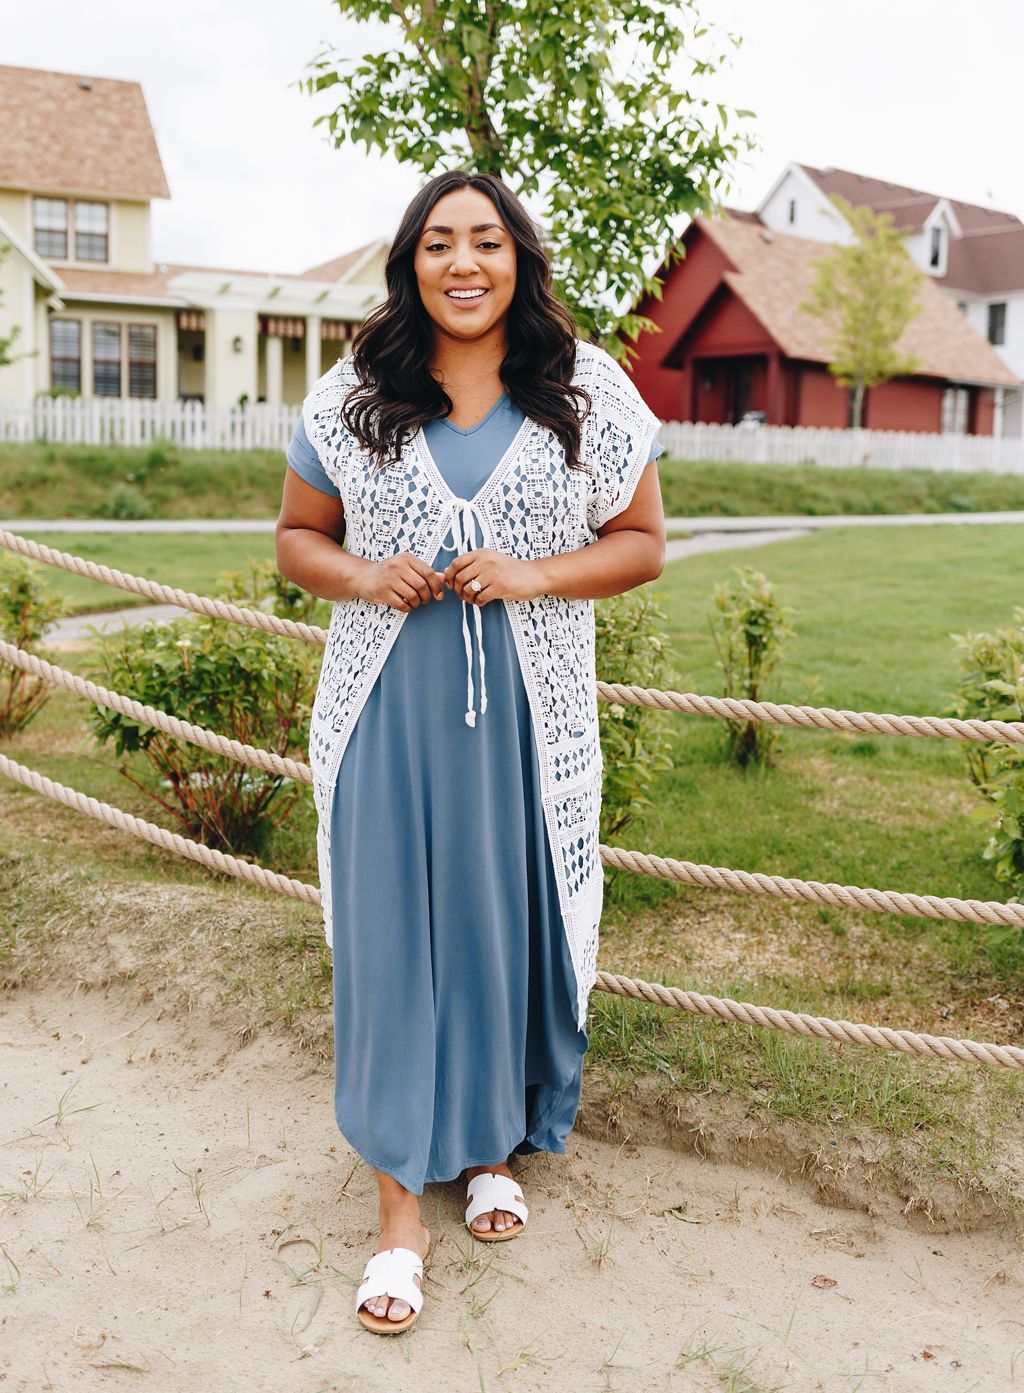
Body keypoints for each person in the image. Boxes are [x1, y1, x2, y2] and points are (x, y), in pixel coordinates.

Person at [275, 168, 666, 1334]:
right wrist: (360, 574)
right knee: (394, 949)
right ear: (410, 264)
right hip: (384, 716)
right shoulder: (352, 393)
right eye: (438, 243)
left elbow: (641, 541)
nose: (462, 263)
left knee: (503, 932)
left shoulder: (583, 389)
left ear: (517, 259)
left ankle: (491, 1145)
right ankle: (399, 1215)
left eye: (484, 242)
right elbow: (298, 538)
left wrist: (535, 573)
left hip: (526, 726)